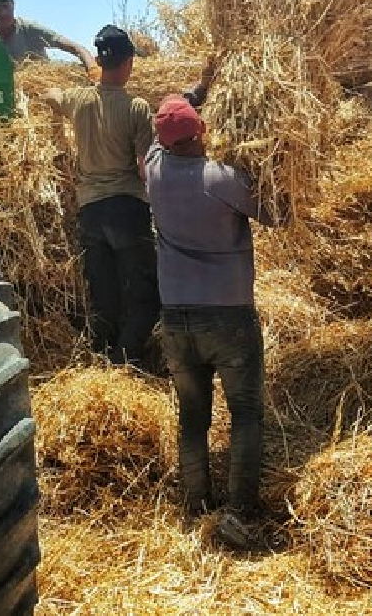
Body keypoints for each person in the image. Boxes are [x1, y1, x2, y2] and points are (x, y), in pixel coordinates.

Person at [143, 94, 281, 550]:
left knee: (192, 417)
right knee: (245, 414)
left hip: (176, 318)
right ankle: (238, 513)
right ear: (202, 132)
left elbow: (155, 138)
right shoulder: (221, 179)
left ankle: (196, 504)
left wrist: (187, 99)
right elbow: (279, 215)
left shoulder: (154, 172)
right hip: (228, 317)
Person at [41, 25, 161, 366]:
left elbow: (49, 95)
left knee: (104, 292)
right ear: (128, 62)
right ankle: (127, 360)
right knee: (141, 292)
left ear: (98, 60)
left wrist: (55, 129)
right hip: (126, 208)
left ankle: (101, 356)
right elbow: (144, 168)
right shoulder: (137, 108)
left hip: (90, 209)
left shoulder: (78, 100)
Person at [0, 0, 101, 80]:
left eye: (5, 6)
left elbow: (75, 47)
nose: (3, 13)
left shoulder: (28, 29)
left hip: (40, 90)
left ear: (13, 4)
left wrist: (93, 69)